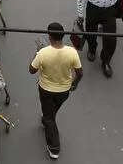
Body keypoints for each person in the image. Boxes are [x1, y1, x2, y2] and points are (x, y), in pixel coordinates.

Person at [29, 22, 83, 161]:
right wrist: (74, 84)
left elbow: (31, 70)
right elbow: (80, 73)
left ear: (49, 36)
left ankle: (54, 148)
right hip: (64, 91)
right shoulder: (72, 52)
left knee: (50, 119)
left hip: (46, 90)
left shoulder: (43, 53)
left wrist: (36, 53)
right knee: (51, 111)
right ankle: (47, 118)